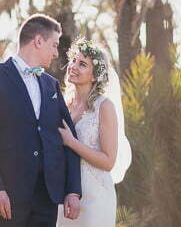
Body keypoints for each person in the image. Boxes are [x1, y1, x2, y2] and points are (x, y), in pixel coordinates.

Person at [0, 14, 82, 226]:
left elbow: (69, 137)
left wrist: (73, 191)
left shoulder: (51, 85)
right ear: (38, 41)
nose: (56, 53)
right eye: (54, 45)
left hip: (46, 197)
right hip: (8, 196)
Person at [56, 39, 131, 227]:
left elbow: (108, 161)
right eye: (74, 60)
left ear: (94, 76)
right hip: (66, 195)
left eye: (82, 64)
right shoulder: (64, 105)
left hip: (95, 196)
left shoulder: (104, 107)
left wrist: (72, 142)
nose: (73, 66)